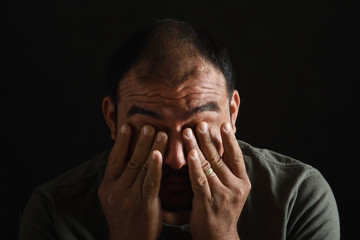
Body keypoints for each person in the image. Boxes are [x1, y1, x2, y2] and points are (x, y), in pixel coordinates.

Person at [19, 19, 340, 240]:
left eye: (198, 128)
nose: (176, 159)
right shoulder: (54, 213)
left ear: (232, 112)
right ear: (112, 118)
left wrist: (222, 234)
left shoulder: (297, 197)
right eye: (149, 130)